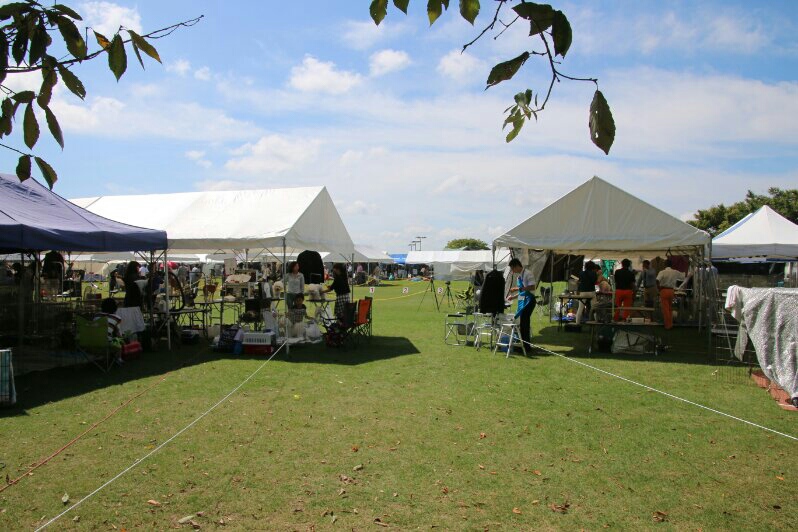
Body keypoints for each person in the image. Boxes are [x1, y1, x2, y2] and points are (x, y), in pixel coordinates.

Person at [507, 258, 537, 348]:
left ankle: (526, 346)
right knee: (522, 323)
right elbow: (522, 292)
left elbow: (532, 287)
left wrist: (517, 288)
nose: (512, 271)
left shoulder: (528, 273)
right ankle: (522, 344)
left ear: (517, 266)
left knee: (525, 322)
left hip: (530, 300)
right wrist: (513, 297)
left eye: (512, 268)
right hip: (524, 300)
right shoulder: (519, 277)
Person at [656, 258, 685, 330]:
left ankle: (667, 325)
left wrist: (658, 288)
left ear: (665, 264)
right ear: (671, 265)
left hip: (664, 290)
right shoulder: (675, 272)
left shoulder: (662, 272)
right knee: (670, 308)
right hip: (671, 291)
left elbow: (657, 280)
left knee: (665, 309)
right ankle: (670, 324)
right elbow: (683, 276)